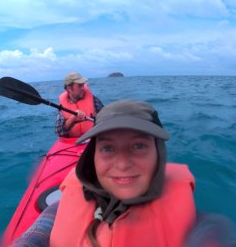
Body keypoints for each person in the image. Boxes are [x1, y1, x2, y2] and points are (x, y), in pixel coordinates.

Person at [13, 100, 236, 247]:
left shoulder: (198, 224)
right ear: (93, 157)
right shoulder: (62, 206)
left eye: (138, 146)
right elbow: (40, 232)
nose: (122, 164)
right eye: (108, 148)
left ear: (158, 153)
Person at [55, 71, 103, 138]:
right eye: (80, 86)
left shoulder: (93, 99)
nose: (83, 88)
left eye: (83, 85)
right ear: (69, 88)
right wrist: (73, 118)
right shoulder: (62, 106)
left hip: (92, 139)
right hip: (73, 143)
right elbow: (59, 131)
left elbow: (105, 119)